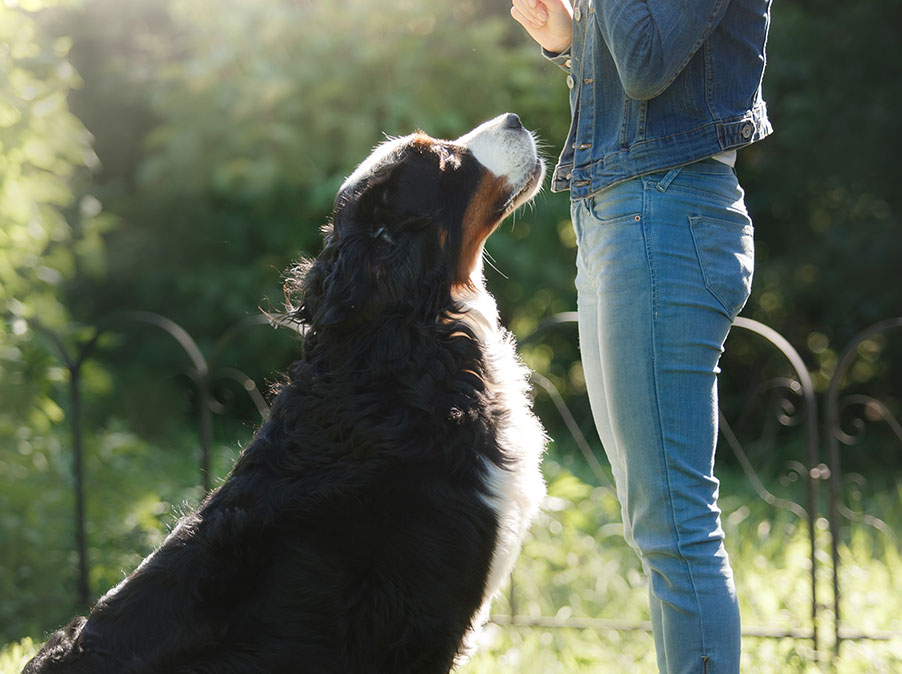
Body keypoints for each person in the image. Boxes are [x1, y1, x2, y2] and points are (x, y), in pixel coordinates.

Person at [510, 1, 773, 672]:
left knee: (674, 526)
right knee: (654, 523)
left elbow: (648, 67)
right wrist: (570, 43)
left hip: (666, 214)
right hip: (615, 213)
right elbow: (640, 82)